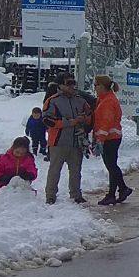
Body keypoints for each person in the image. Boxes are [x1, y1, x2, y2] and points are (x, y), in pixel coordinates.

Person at [43, 76, 92, 205]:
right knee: (54, 170)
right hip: (58, 141)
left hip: (76, 141)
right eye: (68, 83)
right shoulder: (53, 101)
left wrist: (84, 119)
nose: (72, 86)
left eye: (73, 83)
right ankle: (50, 195)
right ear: (60, 86)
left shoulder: (80, 101)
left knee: (76, 170)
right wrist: (69, 122)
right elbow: (47, 120)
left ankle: (76, 194)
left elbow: (90, 115)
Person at [92, 75, 131, 206]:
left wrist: (100, 139)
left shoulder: (108, 101)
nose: (94, 88)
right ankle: (122, 189)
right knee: (112, 166)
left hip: (110, 138)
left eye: (95, 85)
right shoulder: (104, 99)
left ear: (102, 86)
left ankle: (113, 194)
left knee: (111, 166)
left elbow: (106, 122)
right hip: (112, 137)